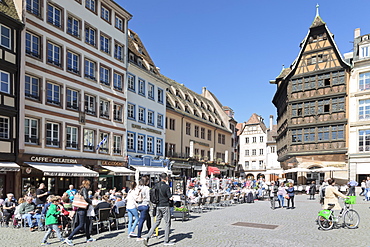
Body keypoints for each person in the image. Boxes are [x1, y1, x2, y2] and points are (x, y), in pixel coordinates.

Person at [143, 173, 174, 246]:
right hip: (165, 206)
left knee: (157, 222)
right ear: (166, 178)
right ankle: (166, 241)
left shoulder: (156, 185)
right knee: (167, 223)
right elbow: (170, 197)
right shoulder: (166, 186)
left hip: (158, 206)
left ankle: (147, 236)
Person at [64, 180, 95, 246]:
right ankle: (69, 238)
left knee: (87, 223)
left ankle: (88, 237)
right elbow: (86, 198)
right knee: (81, 225)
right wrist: (91, 202)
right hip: (82, 209)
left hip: (82, 209)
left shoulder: (80, 190)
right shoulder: (84, 189)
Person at [137, 177, 151, 241]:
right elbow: (148, 198)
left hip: (139, 205)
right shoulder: (146, 188)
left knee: (148, 218)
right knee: (141, 220)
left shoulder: (138, 187)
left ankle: (150, 231)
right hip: (144, 205)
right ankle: (139, 236)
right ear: (147, 182)